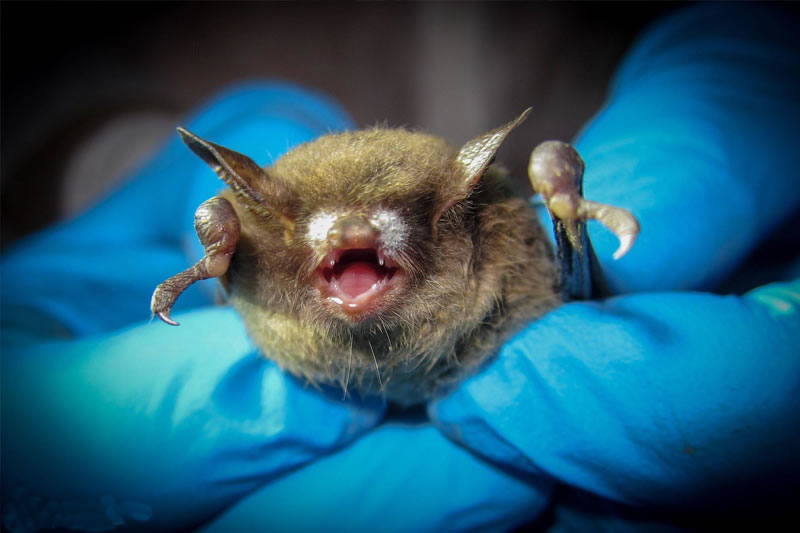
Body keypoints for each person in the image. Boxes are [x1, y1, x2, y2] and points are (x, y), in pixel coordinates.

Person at [2, 3, 798, 531]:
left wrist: (774, 42)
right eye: (328, 232)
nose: (350, 233)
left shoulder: (489, 221)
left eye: (368, 227)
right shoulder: (258, 250)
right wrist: (99, 158)